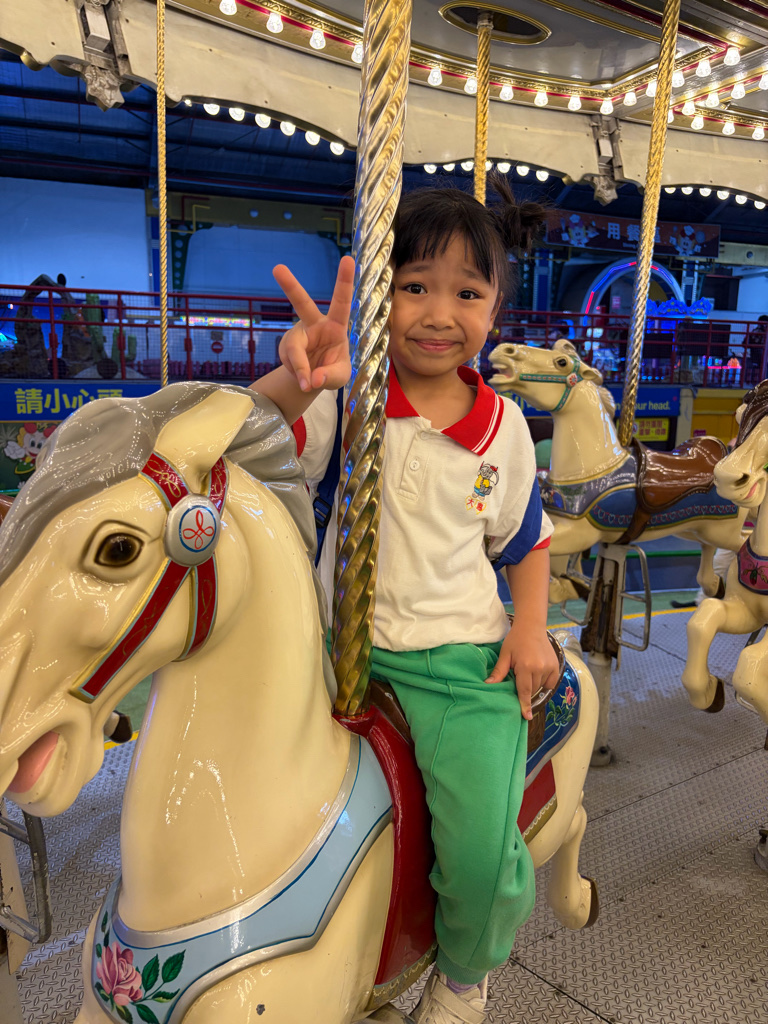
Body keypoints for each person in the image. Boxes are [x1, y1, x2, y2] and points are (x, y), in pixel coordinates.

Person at [252, 178, 559, 1024]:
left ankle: (463, 975)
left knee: (478, 852)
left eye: (467, 293)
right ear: (380, 300)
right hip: (328, 647)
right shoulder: (347, 395)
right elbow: (251, 432)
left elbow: (525, 538)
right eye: (414, 286)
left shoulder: (502, 428)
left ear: (495, 308)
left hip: (455, 662)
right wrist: (301, 378)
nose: (438, 313)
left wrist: (530, 628)